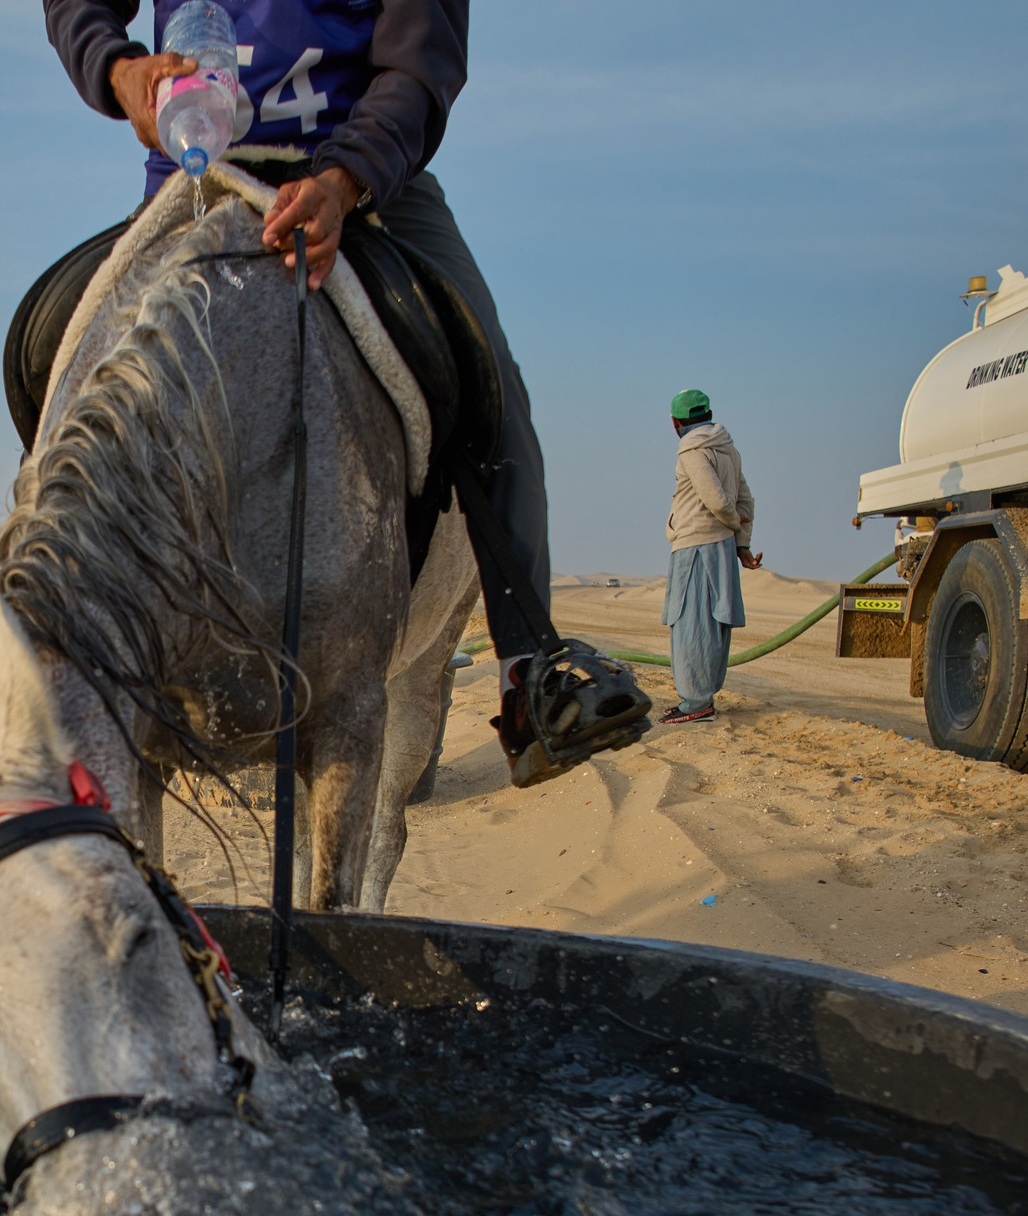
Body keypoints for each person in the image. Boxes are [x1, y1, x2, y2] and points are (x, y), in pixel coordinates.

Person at [45, 0, 568, 765]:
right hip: (193, 177)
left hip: (356, 184)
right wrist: (118, 70)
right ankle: (31, 635)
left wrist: (346, 177)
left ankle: (534, 671)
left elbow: (419, 64)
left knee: (490, 378)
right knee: (52, 357)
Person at [659, 388, 760, 725]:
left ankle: (697, 702)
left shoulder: (692, 450)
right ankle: (699, 698)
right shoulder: (728, 448)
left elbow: (718, 501)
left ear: (676, 422)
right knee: (712, 622)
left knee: (691, 623)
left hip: (696, 548)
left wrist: (731, 522)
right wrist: (740, 542)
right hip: (720, 549)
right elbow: (746, 500)